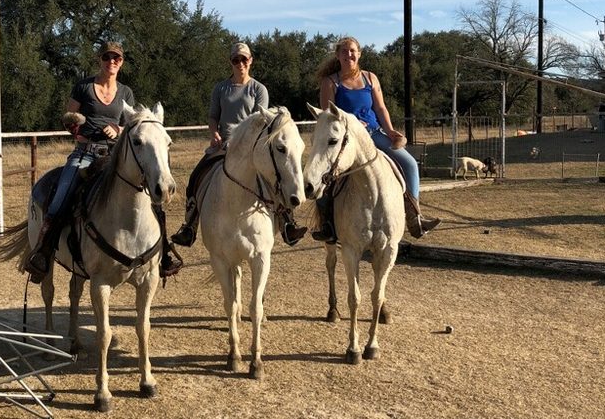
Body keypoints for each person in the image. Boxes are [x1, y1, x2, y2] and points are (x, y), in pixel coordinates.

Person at [26, 41, 181, 282]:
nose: (112, 62)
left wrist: (118, 129)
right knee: (60, 198)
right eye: (107, 57)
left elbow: (132, 125)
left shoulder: (125, 93)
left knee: (152, 197)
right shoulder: (83, 87)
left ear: (121, 62)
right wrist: (76, 129)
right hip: (85, 152)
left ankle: (163, 252)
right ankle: (43, 252)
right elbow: (68, 119)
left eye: (116, 58)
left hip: (113, 156)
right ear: (100, 59)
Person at [171, 41, 307, 247]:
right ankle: (190, 224)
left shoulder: (258, 89)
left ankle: (287, 221)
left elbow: (261, 121)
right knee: (197, 174)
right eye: (236, 60)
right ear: (231, 62)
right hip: (223, 145)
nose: (240, 63)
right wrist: (214, 133)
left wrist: (243, 143)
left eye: (244, 59)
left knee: (273, 176)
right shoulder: (220, 88)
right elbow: (213, 117)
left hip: (250, 148)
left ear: (250, 61)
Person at [314, 36, 439, 241]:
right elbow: (329, 117)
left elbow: (380, 108)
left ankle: (415, 217)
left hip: (373, 133)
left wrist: (390, 131)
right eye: (344, 51)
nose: (349, 55)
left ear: (359, 53)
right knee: (323, 174)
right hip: (347, 139)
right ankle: (327, 224)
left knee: (409, 164)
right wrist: (352, 124)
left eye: (352, 50)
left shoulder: (370, 78)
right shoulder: (331, 82)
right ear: (337, 56)